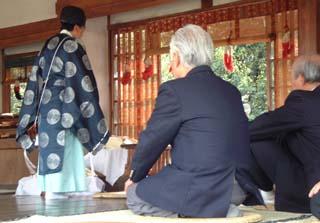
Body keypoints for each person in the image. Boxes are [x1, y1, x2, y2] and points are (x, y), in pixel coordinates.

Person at [125, 24, 262, 218]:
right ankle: (220, 209)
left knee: (134, 195)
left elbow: (153, 139)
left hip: (204, 186)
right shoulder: (231, 91)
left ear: (177, 57)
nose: (171, 66)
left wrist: (135, 177)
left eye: (171, 58)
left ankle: (203, 214)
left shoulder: (174, 90)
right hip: (239, 187)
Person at [16, 6, 110, 199]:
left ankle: (50, 189)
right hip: (64, 110)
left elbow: (36, 79)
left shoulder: (47, 44)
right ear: (76, 27)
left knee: (49, 148)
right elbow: (83, 82)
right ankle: (62, 189)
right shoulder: (73, 46)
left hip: (45, 110)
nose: (82, 33)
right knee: (66, 149)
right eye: (82, 29)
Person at [250, 55, 320, 218]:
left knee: (257, 138)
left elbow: (258, 127)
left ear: (301, 78)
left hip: (312, 191)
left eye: (292, 78)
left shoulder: (303, 100)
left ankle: (265, 192)